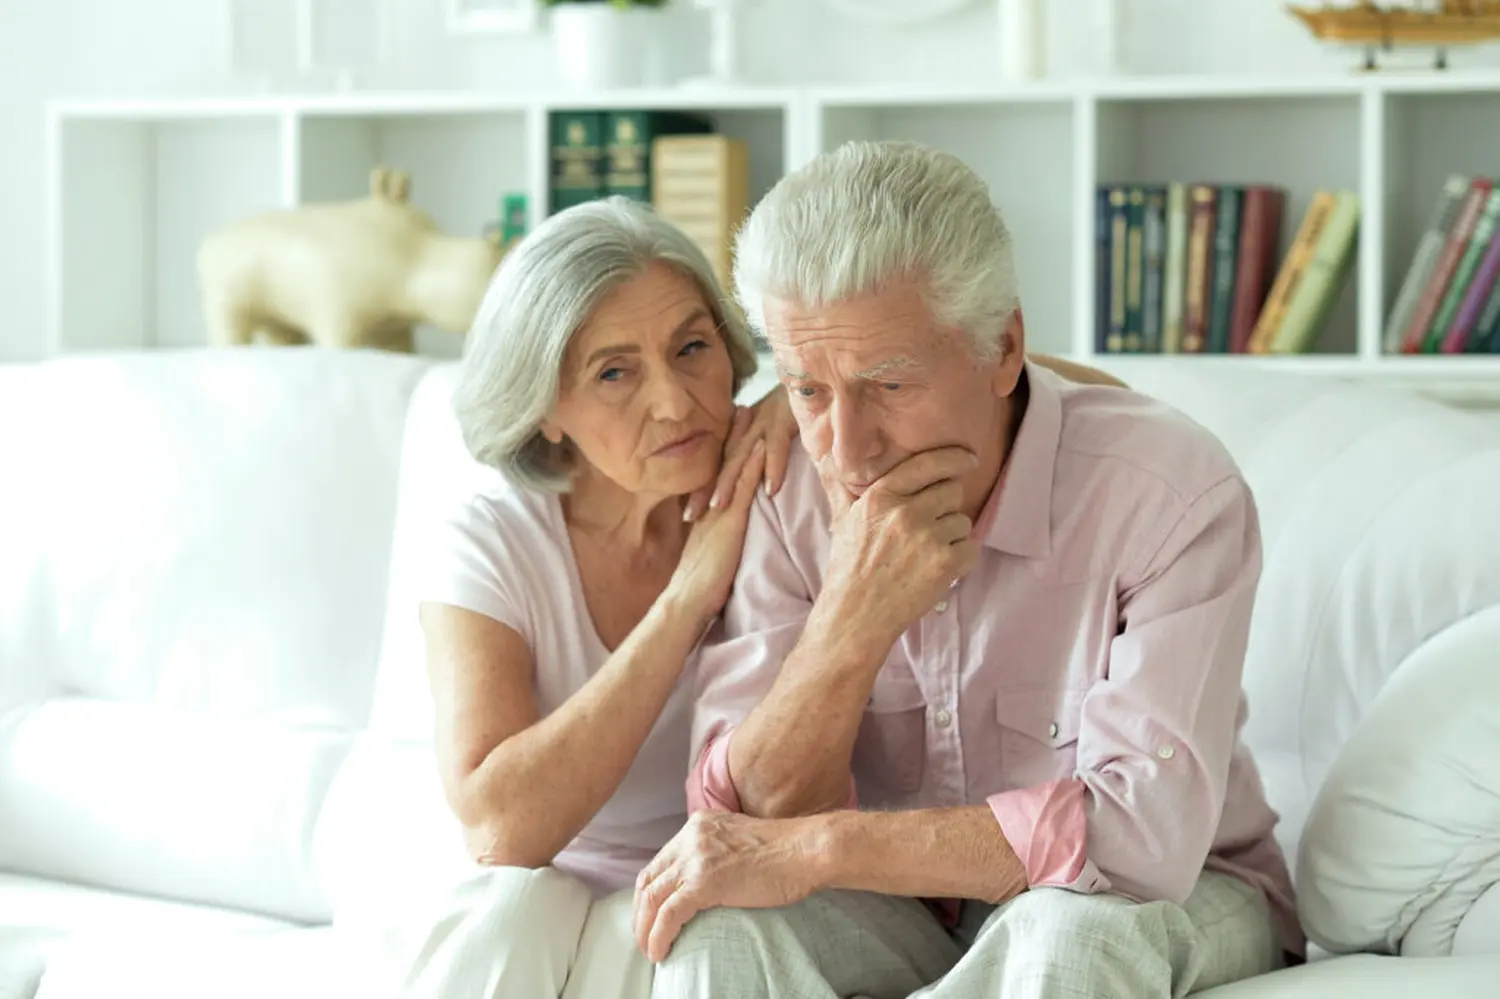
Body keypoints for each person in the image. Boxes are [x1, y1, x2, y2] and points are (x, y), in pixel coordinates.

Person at [394, 195, 1119, 999]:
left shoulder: (790, 458)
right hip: (548, 887)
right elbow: (500, 829)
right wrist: (687, 598)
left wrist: (809, 390)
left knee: (691, 927)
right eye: (613, 372)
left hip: (725, 888)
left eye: (692, 347)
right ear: (547, 408)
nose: (674, 402)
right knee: (510, 910)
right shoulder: (491, 542)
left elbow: (1071, 397)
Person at [631, 141, 1303, 999]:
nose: (846, 446)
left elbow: (1141, 836)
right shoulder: (783, 489)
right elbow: (740, 826)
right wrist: (852, 620)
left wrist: (829, 846)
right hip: (906, 909)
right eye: (806, 389)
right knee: (719, 919)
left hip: (1178, 896)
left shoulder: (1168, 493)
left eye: (889, 385)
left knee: (1058, 934)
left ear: (1005, 348)